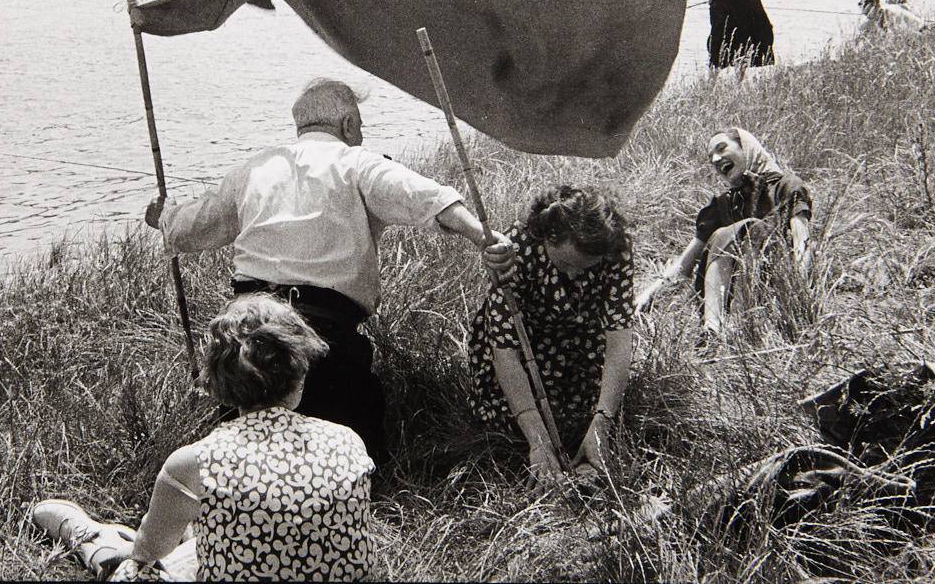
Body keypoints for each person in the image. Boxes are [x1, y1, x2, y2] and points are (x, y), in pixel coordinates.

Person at [144, 77, 514, 467]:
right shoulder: (358, 163)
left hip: (245, 332)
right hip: (323, 339)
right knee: (356, 453)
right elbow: (426, 198)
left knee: (243, 450)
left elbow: (192, 227)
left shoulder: (254, 167)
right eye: (360, 126)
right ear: (349, 125)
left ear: (301, 125)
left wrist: (162, 216)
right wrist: (482, 237)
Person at [31, 295, 374, 582]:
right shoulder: (348, 441)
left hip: (193, 549)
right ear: (300, 374)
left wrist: (139, 550)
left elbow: (149, 551)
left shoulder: (195, 461)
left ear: (219, 383)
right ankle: (187, 534)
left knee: (136, 569)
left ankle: (94, 543)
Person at [467, 186, 642, 484]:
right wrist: (537, 438)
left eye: (585, 268)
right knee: (502, 419)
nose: (574, 275)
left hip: (580, 339)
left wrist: (603, 421)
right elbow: (505, 350)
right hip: (527, 341)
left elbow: (619, 338)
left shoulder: (616, 248)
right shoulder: (516, 247)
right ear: (548, 237)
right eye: (565, 265)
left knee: (586, 414)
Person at [637, 129, 811, 338]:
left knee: (752, 227)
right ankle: (712, 331)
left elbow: (802, 244)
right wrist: (649, 293)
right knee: (725, 233)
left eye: (722, 148)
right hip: (726, 294)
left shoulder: (786, 186)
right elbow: (685, 264)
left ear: (746, 147)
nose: (716, 159)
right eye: (711, 158)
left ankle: (738, 327)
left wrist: (798, 298)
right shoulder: (724, 203)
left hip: (774, 288)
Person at [859, 0, 924, 36]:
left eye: (868, 10)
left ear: (876, 5)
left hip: (919, 31)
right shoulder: (869, 22)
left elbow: (899, 33)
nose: (865, 12)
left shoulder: (892, 12)